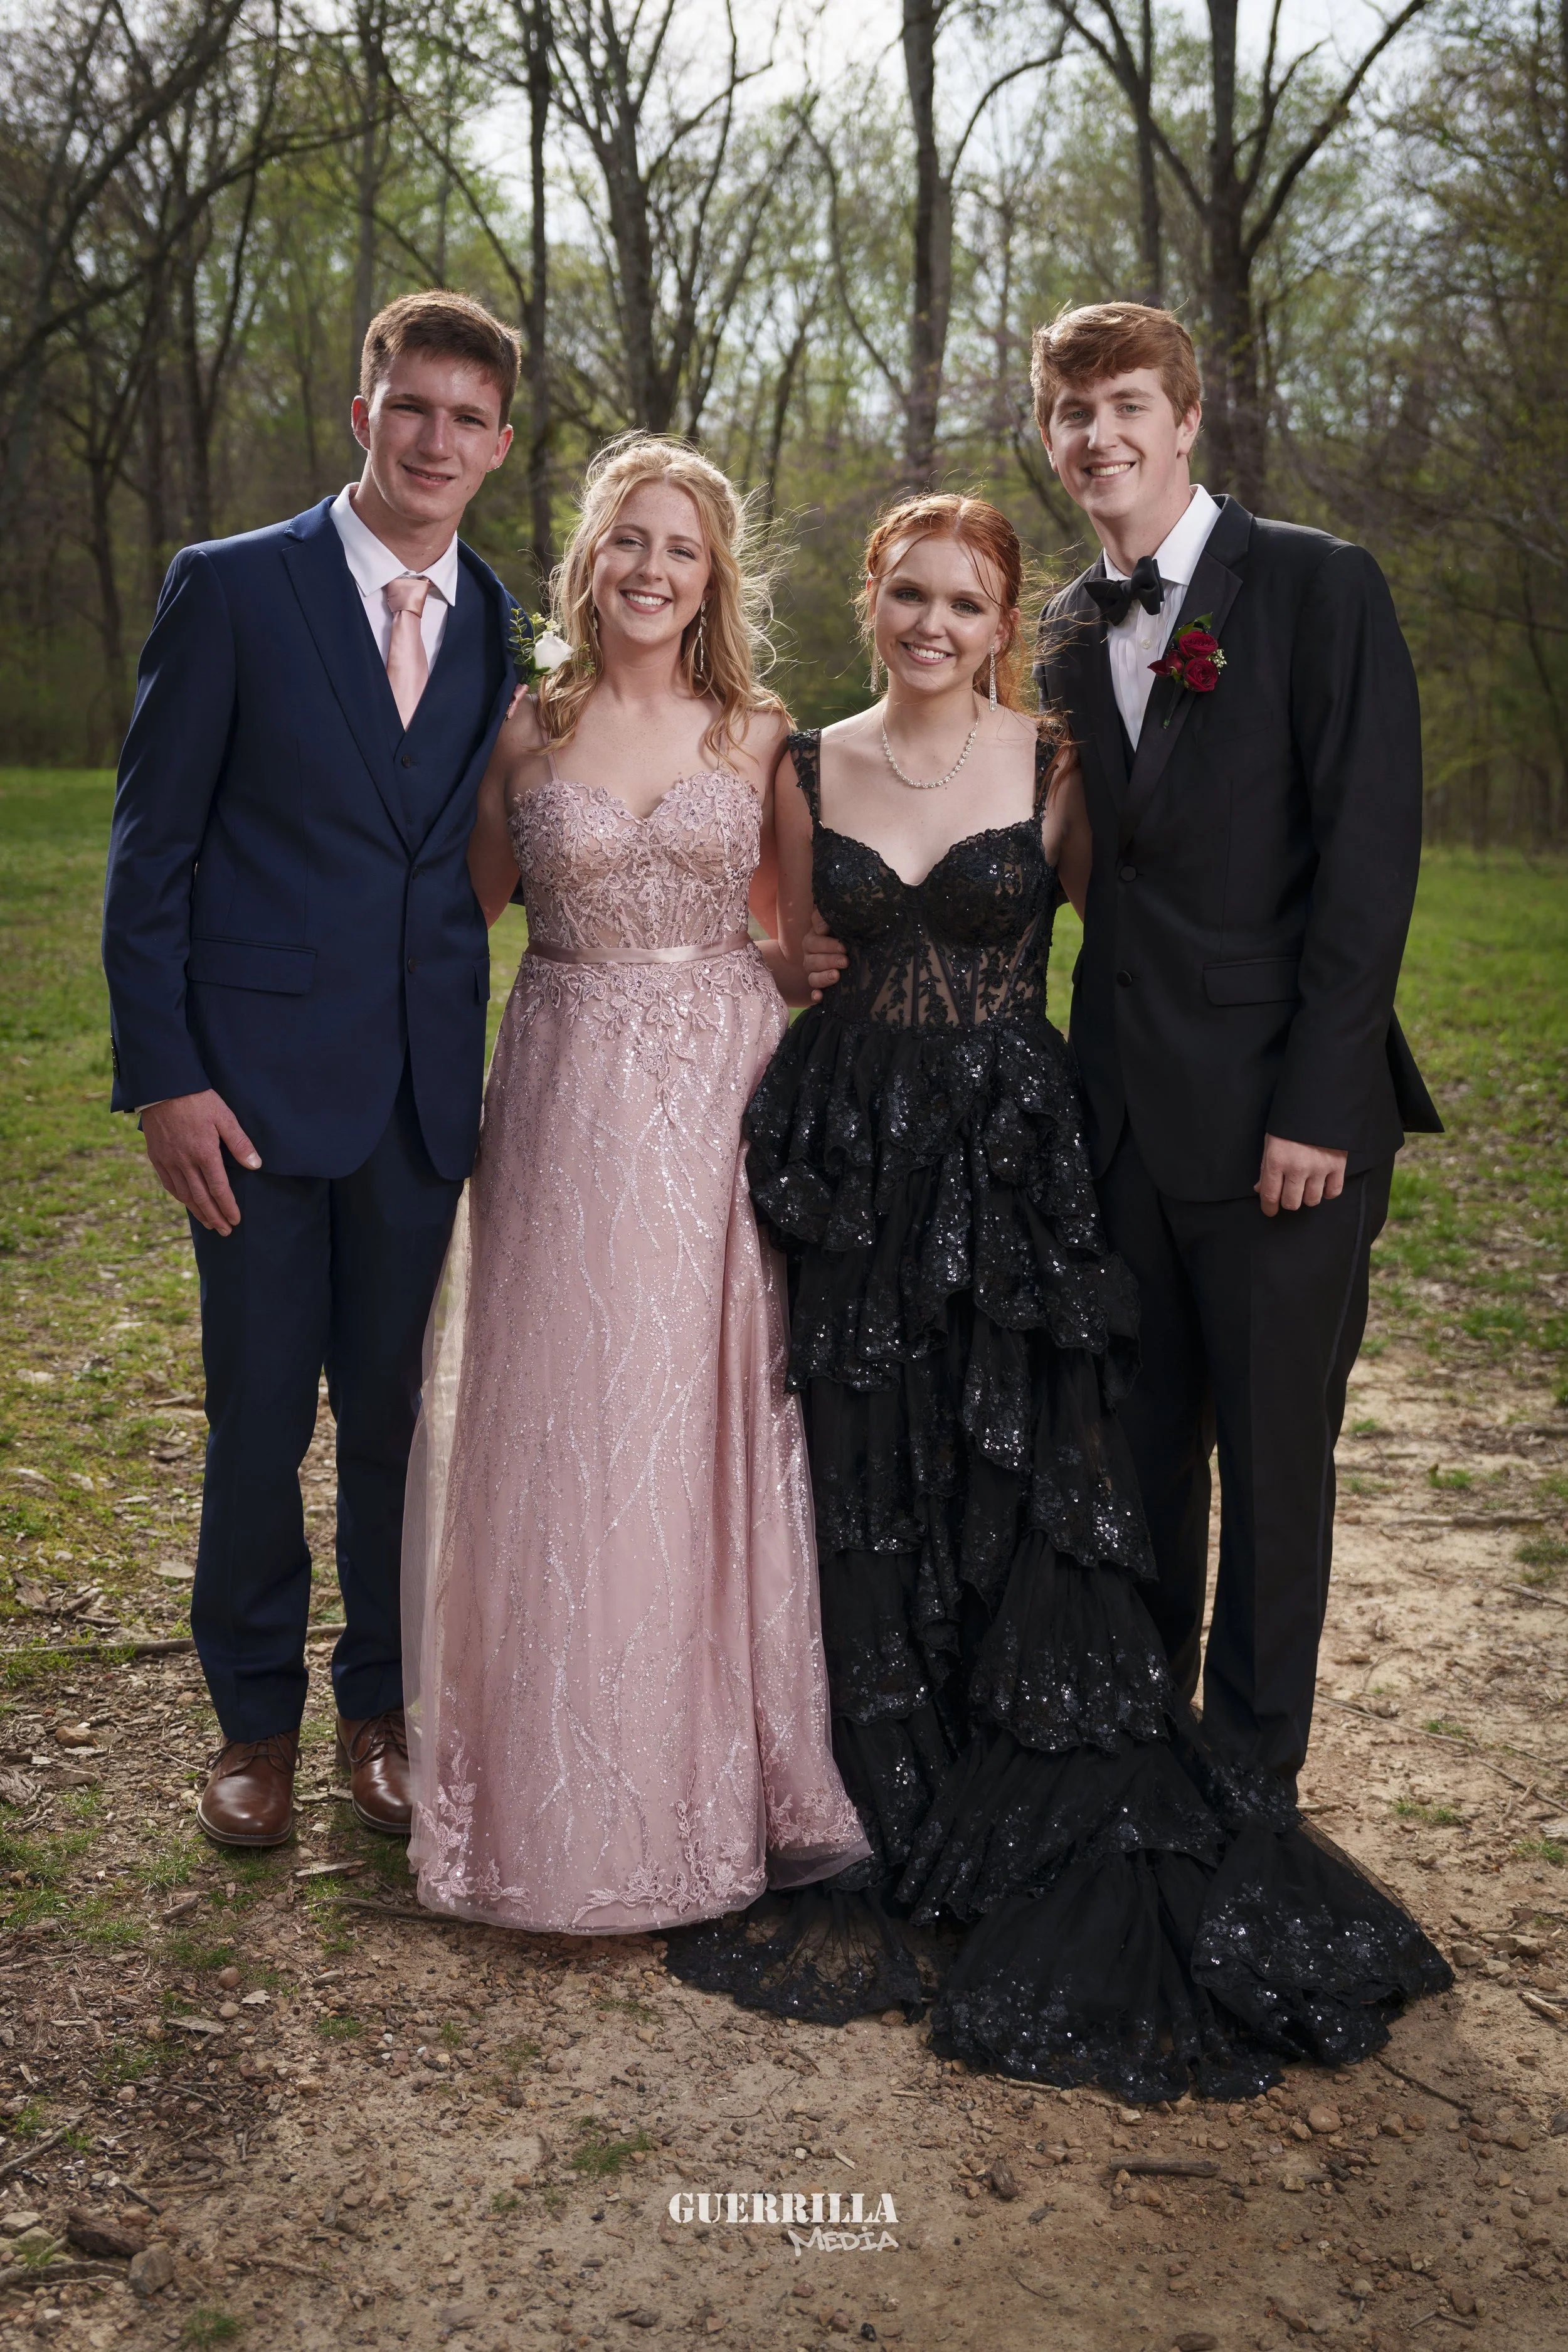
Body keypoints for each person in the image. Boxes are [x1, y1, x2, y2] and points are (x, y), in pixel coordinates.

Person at [665, 491, 1449, 2100]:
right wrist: (784, 967)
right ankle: (880, 1772)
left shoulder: (1054, 763)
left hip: (1014, 1159)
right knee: (868, 1464)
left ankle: (1075, 1773)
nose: (932, 623)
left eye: (963, 601)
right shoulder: (801, 763)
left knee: (1029, 1465)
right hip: (857, 1156)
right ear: (871, 602)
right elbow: (770, 932)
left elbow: (1146, 930)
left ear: (1003, 619)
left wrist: (1297, 1080)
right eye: (906, 596)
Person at [400, 435, 868, 1934]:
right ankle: (542, 1784)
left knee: (699, 1422)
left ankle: (711, 1777)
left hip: (717, 1110)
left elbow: (802, 943)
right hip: (561, 1094)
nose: (651, 570)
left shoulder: (758, 732)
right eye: (627, 543)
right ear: (588, 565)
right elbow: (451, 915)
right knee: (564, 1420)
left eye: (679, 549)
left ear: (710, 577)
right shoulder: (525, 728)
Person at [102, 291, 522, 1848]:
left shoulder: (502, 619)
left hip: (424, 1098)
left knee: (403, 1427)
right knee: (262, 1418)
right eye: (412, 407)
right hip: (254, 1098)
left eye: (468, 420)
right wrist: (167, 1078)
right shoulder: (231, 590)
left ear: (493, 445)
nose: (436, 441)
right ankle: (254, 1726)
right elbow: (151, 855)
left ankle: (381, 1711)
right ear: (366, 414)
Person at [1030, 302, 1442, 1797]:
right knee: (1139, 1464)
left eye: (1127, 403)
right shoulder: (1070, 629)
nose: (1100, 435)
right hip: (1123, 1122)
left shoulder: (1317, 586)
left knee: (1273, 1471)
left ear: (1185, 418)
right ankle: (1150, 1763)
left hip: (1285, 1127)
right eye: (1072, 413)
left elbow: (1367, 861)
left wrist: (1321, 1105)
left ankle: (1251, 1783)